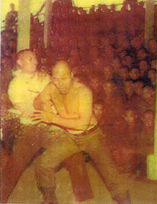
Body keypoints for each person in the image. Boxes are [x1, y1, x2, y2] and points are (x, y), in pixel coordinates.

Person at [32, 61, 131, 204]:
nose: (60, 83)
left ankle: (124, 200)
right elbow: (37, 102)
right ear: (52, 78)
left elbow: (82, 124)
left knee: (111, 175)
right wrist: (44, 105)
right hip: (70, 137)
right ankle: (50, 199)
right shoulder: (51, 87)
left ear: (72, 76)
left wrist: (53, 118)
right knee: (43, 163)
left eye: (64, 78)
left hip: (91, 136)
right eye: (56, 79)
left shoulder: (83, 92)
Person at [1, 50, 93, 203]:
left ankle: (83, 197)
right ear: (20, 62)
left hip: (50, 127)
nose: (35, 61)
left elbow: (60, 94)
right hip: (29, 130)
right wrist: (50, 107)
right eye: (30, 59)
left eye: (35, 58)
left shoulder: (45, 78)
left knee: (74, 155)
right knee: (15, 165)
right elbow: (31, 111)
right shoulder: (15, 85)